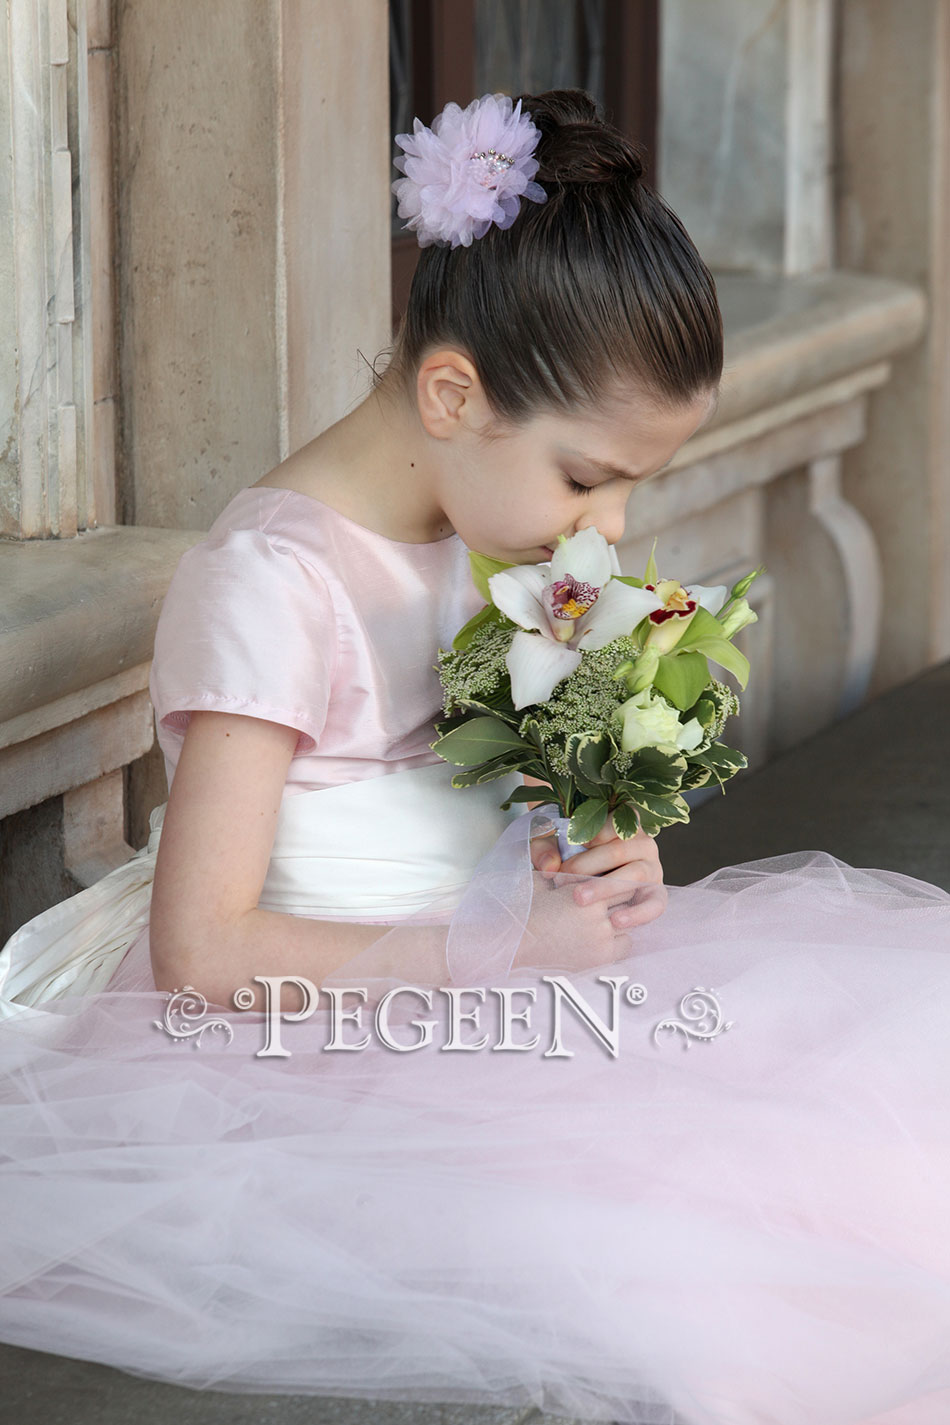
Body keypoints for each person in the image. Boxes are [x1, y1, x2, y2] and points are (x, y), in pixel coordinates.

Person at [1, 88, 948, 1425]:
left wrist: (601, 846)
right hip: (316, 1034)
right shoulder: (271, 580)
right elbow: (201, 955)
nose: (608, 528)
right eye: (586, 478)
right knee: (684, 1279)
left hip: (504, 992)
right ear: (452, 392)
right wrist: (490, 954)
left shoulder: (489, 537)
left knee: (899, 1111)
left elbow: (511, 791)